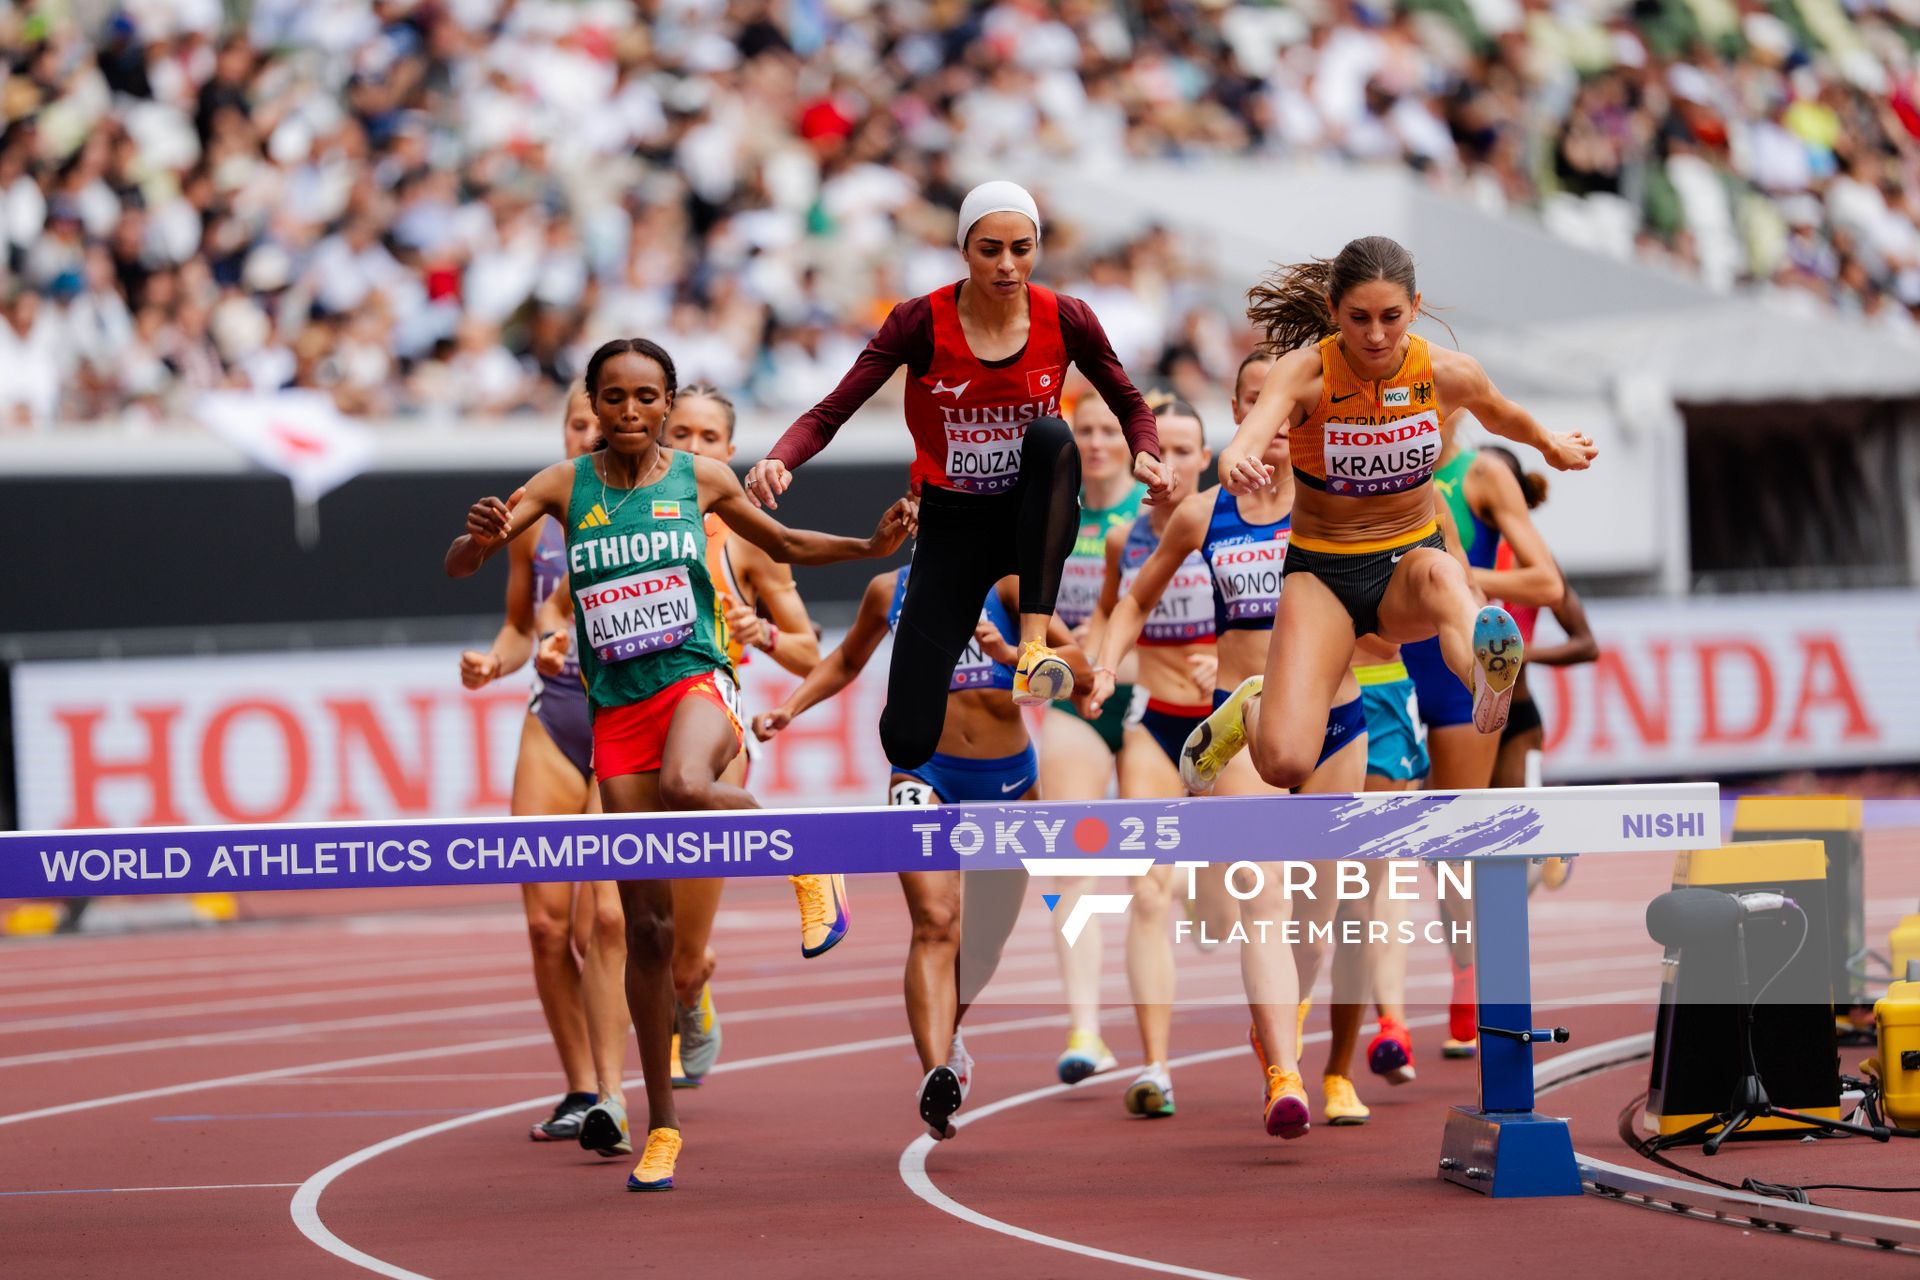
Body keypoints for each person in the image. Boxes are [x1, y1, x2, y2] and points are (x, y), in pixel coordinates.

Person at [446, 337, 915, 1193]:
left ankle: (814, 864)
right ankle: (661, 1126)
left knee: (688, 786)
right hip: (615, 712)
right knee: (649, 936)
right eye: (615, 398)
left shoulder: (698, 481)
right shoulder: (560, 487)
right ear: (592, 403)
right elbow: (462, 562)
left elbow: (786, 543)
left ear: (668, 404)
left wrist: (867, 544)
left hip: (698, 681)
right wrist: (475, 542)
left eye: (648, 398)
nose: (631, 413)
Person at [744, 179, 1174, 779]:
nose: (1007, 265)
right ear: (963, 250)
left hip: (1033, 515)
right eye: (989, 249)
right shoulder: (918, 322)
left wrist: (1146, 450)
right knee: (907, 740)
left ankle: (1031, 649)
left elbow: (1130, 402)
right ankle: (950, 723)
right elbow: (831, 410)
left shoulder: (1067, 317)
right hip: (951, 522)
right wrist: (780, 458)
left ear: (1037, 249)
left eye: (1021, 249)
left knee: (1052, 437)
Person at [1186, 235, 1596, 804]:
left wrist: (1550, 443)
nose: (1375, 336)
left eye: (1390, 318)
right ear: (1333, 311)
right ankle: (1252, 709)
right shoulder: (1304, 374)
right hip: (1322, 572)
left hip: (1407, 558)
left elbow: (1504, 416)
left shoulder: (1449, 372)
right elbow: (1247, 439)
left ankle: (1485, 678)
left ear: (1415, 306)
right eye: (1358, 319)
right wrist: (1235, 463)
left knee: (1445, 574)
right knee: (1284, 762)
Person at [1089, 372, 1370, 1138]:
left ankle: (1277, 1027)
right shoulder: (1206, 514)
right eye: (1260, 401)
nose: (1278, 418)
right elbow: (1136, 597)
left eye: (1293, 404)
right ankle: (1285, 1075)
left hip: (1340, 724)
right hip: (1244, 722)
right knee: (1264, 903)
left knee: (1319, 917)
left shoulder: (1334, 497)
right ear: (1243, 412)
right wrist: (1109, 662)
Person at [753, 566, 1088, 1140]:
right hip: (923, 770)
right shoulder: (890, 589)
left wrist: (1008, 651)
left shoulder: (1007, 586)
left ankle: (949, 1033)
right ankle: (935, 1070)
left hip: (1006, 779)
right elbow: (845, 662)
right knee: (936, 920)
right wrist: (791, 708)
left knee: (983, 946)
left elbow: (1076, 668)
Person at [459, 387, 629, 1149]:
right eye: (578, 423)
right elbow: (520, 626)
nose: (592, 433)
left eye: (603, 421)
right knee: (542, 922)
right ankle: (580, 1087)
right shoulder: (534, 517)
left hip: (623, 721)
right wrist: (493, 663)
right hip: (554, 719)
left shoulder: (647, 509)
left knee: (604, 921)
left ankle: (616, 1082)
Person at [650, 382, 827, 1089]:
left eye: (707, 439)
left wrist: (765, 632)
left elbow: (812, 654)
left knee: (683, 955)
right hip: (634, 729)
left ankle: (693, 992)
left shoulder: (748, 538)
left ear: (729, 452)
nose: (692, 450)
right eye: (680, 435)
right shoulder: (624, 518)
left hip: (713, 737)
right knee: (626, 928)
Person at [1408, 427, 1576, 1056]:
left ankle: (1466, 980)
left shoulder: (1472, 478)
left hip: (1473, 686)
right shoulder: (1348, 466)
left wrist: (1455, 579)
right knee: (1394, 848)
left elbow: (1550, 587)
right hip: (1387, 670)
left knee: (1456, 846)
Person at [1081, 395, 1218, 1116]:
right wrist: (1100, 666)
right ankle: (1156, 1066)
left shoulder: (1231, 530)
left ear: (1206, 459)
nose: (1168, 464)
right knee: (1146, 890)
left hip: (1233, 731)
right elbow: (1113, 611)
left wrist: (1225, 659)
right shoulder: (1125, 539)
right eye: (1156, 449)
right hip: (1157, 724)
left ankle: (1209, 889)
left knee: (1228, 912)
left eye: (1184, 450)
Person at [1036, 393, 1145, 1085]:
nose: (1098, 442)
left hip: (1147, 698)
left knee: (1149, 879)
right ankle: (1085, 1028)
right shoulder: (1050, 512)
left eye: (1110, 430)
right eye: (1085, 430)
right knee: (1069, 864)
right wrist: (1060, 649)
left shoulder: (1151, 516)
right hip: (1074, 702)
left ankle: (1155, 1043)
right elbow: (1023, 599)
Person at [1476, 449, 1599, 888]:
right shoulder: (1449, 552)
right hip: (1456, 721)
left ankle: (1548, 838)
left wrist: (1519, 655)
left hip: (1516, 720)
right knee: (1457, 868)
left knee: (1513, 863)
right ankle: (1469, 959)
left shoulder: (1535, 563)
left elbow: (1587, 644)